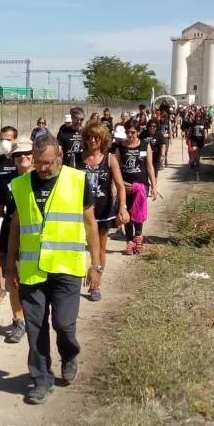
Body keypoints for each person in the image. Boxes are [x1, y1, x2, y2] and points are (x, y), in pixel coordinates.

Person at [4, 134, 101, 405]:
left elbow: (91, 224)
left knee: (63, 325)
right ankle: (41, 379)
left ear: (59, 156)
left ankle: (69, 355)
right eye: (38, 163)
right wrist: (9, 266)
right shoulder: (20, 185)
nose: (43, 168)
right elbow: (15, 227)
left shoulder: (78, 181)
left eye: (47, 162)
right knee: (35, 327)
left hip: (66, 267)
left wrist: (97, 265)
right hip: (33, 269)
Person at [0, 137, 35, 343]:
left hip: (35, 237)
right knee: (12, 281)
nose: (23, 157)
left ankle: (36, 318)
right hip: (8, 234)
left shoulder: (44, 179)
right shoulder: (6, 181)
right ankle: (19, 321)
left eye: (27, 153)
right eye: (18, 154)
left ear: (35, 156)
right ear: (13, 159)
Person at [80, 121, 130, 301]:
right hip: (81, 211)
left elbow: (120, 186)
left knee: (100, 248)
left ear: (103, 140)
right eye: (89, 137)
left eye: (96, 138)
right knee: (79, 248)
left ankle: (95, 284)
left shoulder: (110, 159)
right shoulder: (78, 159)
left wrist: (122, 207)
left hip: (103, 210)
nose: (92, 141)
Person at [117, 122, 158, 255]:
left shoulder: (145, 145)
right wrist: (118, 184)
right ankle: (129, 241)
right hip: (125, 186)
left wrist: (154, 186)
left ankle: (138, 236)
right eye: (128, 132)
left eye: (133, 132)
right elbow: (116, 167)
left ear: (138, 132)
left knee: (138, 211)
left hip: (141, 186)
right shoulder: (120, 147)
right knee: (127, 212)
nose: (130, 135)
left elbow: (150, 167)